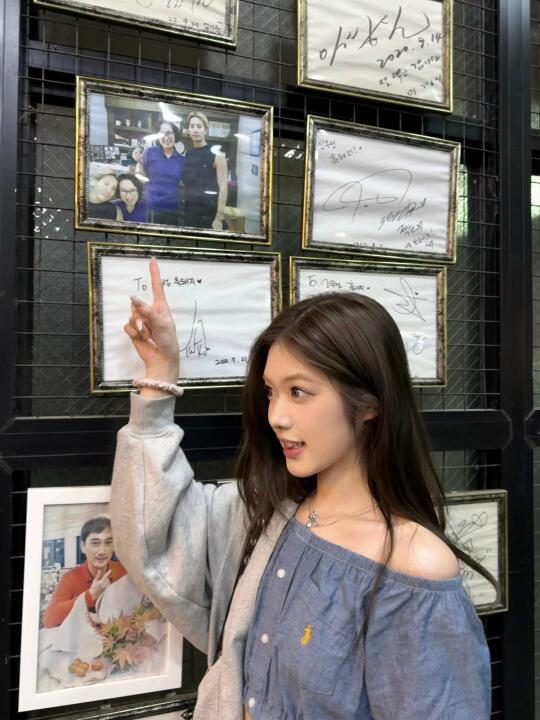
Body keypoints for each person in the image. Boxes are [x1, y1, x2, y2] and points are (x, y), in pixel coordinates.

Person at [110, 260, 492, 720]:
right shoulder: (266, 510)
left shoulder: (412, 565)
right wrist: (159, 376)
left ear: (368, 403)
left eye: (299, 392)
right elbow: (151, 532)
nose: (276, 416)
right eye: (271, 391)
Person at [42, 516, 126, 629]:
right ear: (83, 546)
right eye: (95, 543)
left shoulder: (123, 571)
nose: (102, 551)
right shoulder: (70, 578)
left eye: (108, 543)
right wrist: (90, 595)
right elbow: (49, 619)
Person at [183, 111, 228, 230]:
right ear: (188, 130)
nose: (195, 130)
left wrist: (219, 217)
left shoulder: (217, 154)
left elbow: (223, 187)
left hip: (209, 214)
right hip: (189, 211)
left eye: (199, 126)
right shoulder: (188, 153)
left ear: (206, 130)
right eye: (192, 126)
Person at [135, 120, 185, 225]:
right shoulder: (149, 152)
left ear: (175, 135)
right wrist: (139, 162)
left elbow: (183, 183)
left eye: (169, 133)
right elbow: (140, 177)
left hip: (172, 209)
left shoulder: (181, 159)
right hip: (151, 207)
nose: (166, 137)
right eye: (162, 133)